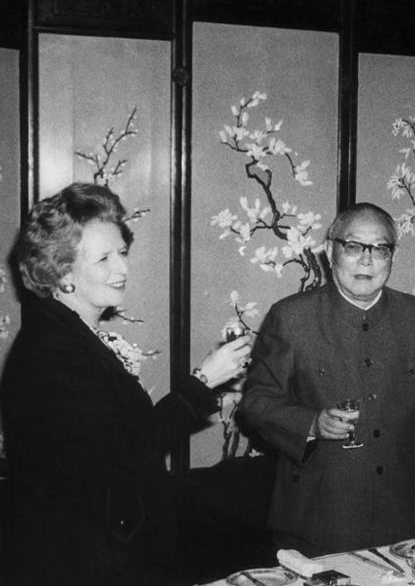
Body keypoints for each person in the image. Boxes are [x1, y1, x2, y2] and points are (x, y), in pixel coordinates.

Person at [0, 183, 252, 586]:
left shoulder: (68, 334)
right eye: (104, 259)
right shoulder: (52, 352)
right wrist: (202, 381)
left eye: (122, 252)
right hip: (79, 562)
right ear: (62, 271)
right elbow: (124, 455)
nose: (122, 269)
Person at [240, 202, 415, 557]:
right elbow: (256, 403)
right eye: (353, 247)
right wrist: (312, 423)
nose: (367, 261)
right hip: (320, 521)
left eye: (380, 249)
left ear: (392, 257)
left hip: (404, 520)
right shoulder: (291, 318)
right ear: (330, 251)